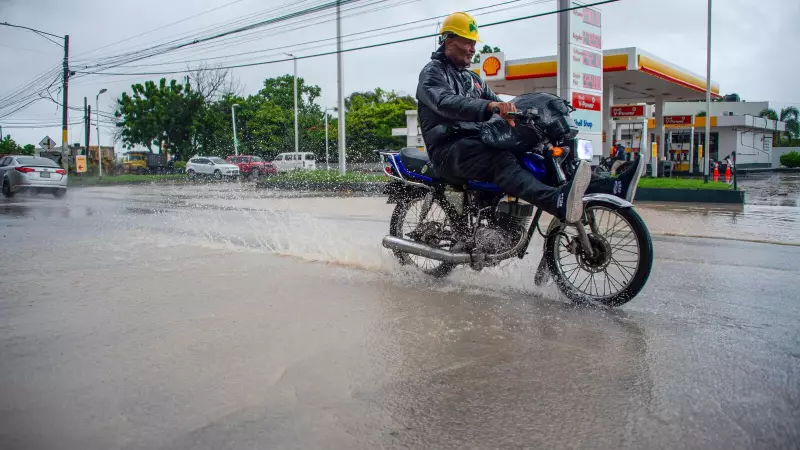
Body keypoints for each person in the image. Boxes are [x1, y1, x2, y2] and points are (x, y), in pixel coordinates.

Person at [416, 12, 644, 221]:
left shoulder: (473, 79)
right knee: (500, 162)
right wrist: (491, 106)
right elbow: (444, 102)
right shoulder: (433, 72)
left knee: (544, 153)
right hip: (449, 150)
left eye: (474, 43)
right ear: (449, 40)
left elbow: (501, 104)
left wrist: (526, 114)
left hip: (476, 142)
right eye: (467, 41)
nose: (472, 48)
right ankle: (557, 202)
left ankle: (609, 187)